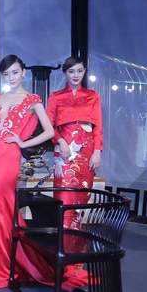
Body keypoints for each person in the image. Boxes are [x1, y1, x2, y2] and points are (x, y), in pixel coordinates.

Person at [0, 55, 84, 290]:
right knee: (2, 208)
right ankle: (9, 259)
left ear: (23, 72)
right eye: (6, 74)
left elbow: (49, 131)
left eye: (15, 72)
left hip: (9, 158)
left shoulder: (32, 100)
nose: (11, 77)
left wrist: (23, 143)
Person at [46, 56, 103, 230]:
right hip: (64, 151)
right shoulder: (55, 97)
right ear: (65, 73)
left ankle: (77, 238)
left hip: (87, 151)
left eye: (80, 71)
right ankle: (64, 239)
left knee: (82, 195)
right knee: (64, 196)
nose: (76, 75)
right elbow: (48, 126)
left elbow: (98, 127)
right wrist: (60, 141)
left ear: (84, 71)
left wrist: (97, 151)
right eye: (71, 71)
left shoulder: (93, 96)